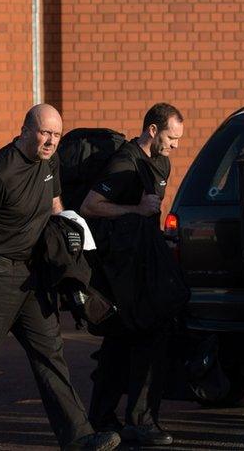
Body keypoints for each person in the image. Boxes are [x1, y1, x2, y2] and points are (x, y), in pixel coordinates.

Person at [0, 104, 119, 451]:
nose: (50, 141)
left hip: (32, 276)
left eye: (56, 135)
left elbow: (53, 202)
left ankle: (78, 436)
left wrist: (66, 230)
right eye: (44, 133)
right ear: (24, 130)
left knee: (50, 353)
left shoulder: (50, 162)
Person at [80, 103, 184, 447]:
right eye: (171, 137)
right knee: (147, 336)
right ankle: (139, 421)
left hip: (145, 258)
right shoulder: (124, 162)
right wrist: (135, 210)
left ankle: (102, 416)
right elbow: (90, 206)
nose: (175, 145)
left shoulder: (161, 162)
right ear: (152, 130)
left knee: (122, 340)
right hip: (122, 266)